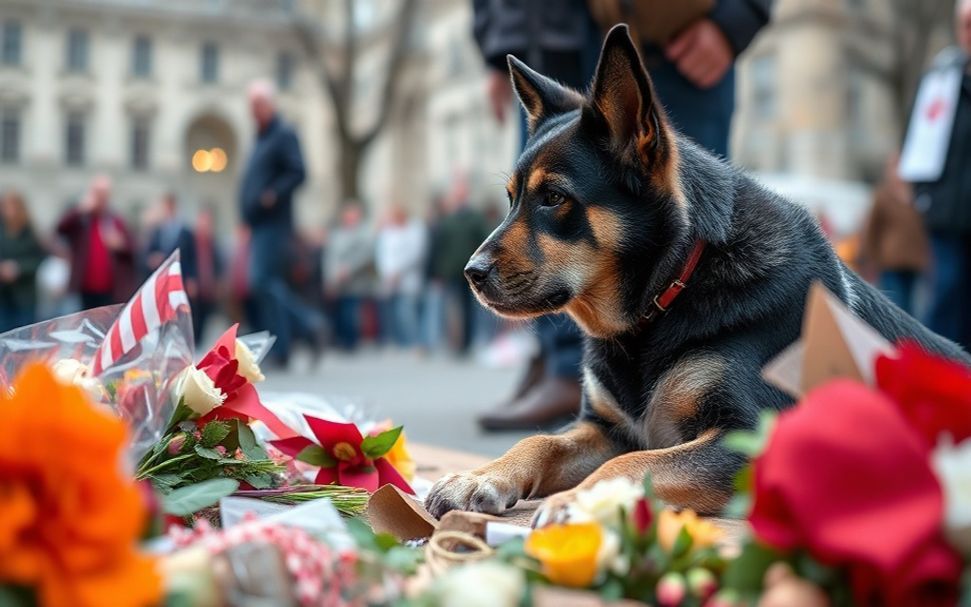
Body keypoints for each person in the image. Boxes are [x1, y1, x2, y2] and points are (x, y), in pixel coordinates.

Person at [473, 0, 772, 430]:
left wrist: (737, 17)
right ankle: (572, 376)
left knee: (697, 239)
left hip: (677, 37)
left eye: (551, 197)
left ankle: (704, 399)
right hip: (554, 32)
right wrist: (498, 43)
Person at [239, 79, 320, 366]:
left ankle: (308, 325)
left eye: (258, 104)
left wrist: (272, 194)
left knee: (262, 281)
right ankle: (283, 346)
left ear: (270, 104)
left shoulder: (283, 134)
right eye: (251, 105)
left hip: (274, 223)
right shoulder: (261, 138)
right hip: (259, 224)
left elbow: (299, 172)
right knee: (268, 284)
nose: (253, 110)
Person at [907, 0, 971, 351]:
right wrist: (924, 195)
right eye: (967, 24)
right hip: (947, 216)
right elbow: (914, 141)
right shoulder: (939, 82)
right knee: (946, 293)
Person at [859, 155, 929, 316]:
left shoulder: (918, 194)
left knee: (912, 305)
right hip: (890, 261)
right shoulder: (883, 195)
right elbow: (871, 228)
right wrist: (868, 256)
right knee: (896, 303)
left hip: (915, 261)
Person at [429, 177, 490, 355]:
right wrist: (436, 271)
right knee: (451, 307)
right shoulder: (448, 219)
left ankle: (466, 343)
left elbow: (484, 242)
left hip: (471, 271)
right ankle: (453, 342)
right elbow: (439, 247)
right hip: (451, 271)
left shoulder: (475, 218)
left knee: (469, 308)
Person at [56, 175, 136, 309]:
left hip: (111, 291)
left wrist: (121, 245)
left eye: (104, 193)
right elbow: (60, 229)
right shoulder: (81, 219)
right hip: (83, 290)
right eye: (97, 193)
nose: (100, 198)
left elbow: (134, 247)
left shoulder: (116, 220)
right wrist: (79, 210)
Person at [375, 203, 427, 349]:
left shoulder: (414, 230)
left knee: (407, 312)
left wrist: (398, 271)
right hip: (389, 279)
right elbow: (382, 255)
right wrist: (388, 273)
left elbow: (415, 254)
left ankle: (415, 342)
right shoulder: (387, 232)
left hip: (407, 278)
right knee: (390, 313)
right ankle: (397, 341)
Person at [325, 202, 373, 351]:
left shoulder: (364, 233)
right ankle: (340, 339)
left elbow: (366, 255)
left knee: (351, 312)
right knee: (339, 312)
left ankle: (351, 341)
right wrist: (330, 277)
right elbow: (330, 257)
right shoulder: (337, 233)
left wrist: (348, 269)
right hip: (337, 282)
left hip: (355, 281)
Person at [0, 191, 45, 331]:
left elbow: (39, 259)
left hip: (24, 295)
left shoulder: (29, 231)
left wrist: (18, 268)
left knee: (24, 334)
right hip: (3, 294)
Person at [192, 207, 224, 345]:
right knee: (196, 319)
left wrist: (218, 283)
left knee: (206, 319)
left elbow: (218, 265)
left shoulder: (213, 243)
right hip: (196, 287)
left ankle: (200, 343)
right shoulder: (192, 242)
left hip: (209, 288)